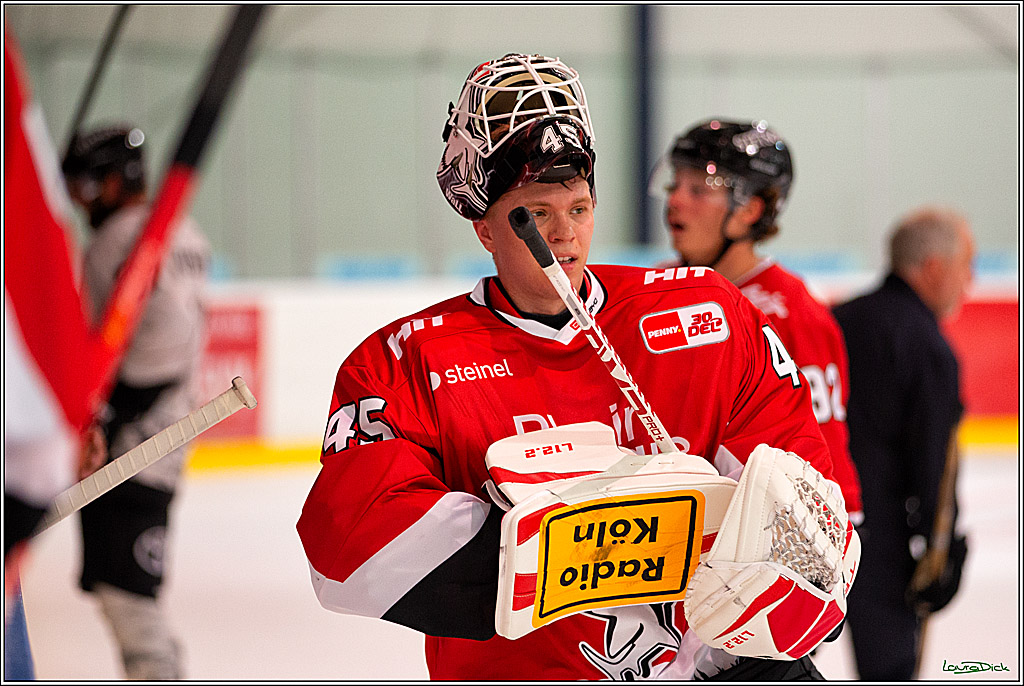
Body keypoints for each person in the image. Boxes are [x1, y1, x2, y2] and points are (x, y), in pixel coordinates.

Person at [297, 53, 855, 681]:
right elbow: (349, 547)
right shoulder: (405, 360)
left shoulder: (709, 313)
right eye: (536, 214)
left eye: (579, 209)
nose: (563, 234)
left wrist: (772, 587)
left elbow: (793, 482)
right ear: (485, 227)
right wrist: (595, 544)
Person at [650, 119, 863, 524]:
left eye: (698, 189)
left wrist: (830, 530)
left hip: (777, 532)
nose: (674, 200)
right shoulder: (654, 291)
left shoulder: (791, 314)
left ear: (750, 210)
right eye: (674, 184)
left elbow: (820, 447)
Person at [61, 124, 210, 680]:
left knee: (126, 590)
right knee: (125, 586)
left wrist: (106, 416)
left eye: (86, 186)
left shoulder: (115, 241)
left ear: (113, 180)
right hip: (164, 437)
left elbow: (156, 343)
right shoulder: (184, 230)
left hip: (131, 447)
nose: (82, 202)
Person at [833, 207, 974, 680]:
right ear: (934, 267)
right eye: (965, 266)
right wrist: (942, 552)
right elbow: (936, 464)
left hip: (813, 526)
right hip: (885, 542)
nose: (968, 282)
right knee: (889, 672)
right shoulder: (928, 347)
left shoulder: (837, 321)